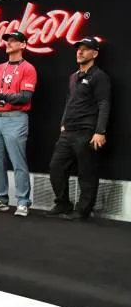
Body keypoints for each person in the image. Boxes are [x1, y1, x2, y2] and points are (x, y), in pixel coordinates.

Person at [47, 36, 110, 221]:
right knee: (56, 168)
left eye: (85, 49)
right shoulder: (73, 77)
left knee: (86, 173)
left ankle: (83, 211)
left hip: (87, 132)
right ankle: (63, 203)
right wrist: (63, 123)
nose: (80, 52)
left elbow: (104, 103)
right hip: (68, 132)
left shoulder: (99, 76)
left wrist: (100, 131)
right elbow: (69, 101)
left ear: (95, 54)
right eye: (78, 49)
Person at [0, 31, 37, 217]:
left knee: (18, 161)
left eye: (14, 41)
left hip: (16, 118)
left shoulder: (28, 68)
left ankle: (22, 202)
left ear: (23, 45)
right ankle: (1, 198)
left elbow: (25, 97)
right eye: (8, 40)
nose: (9, 43)